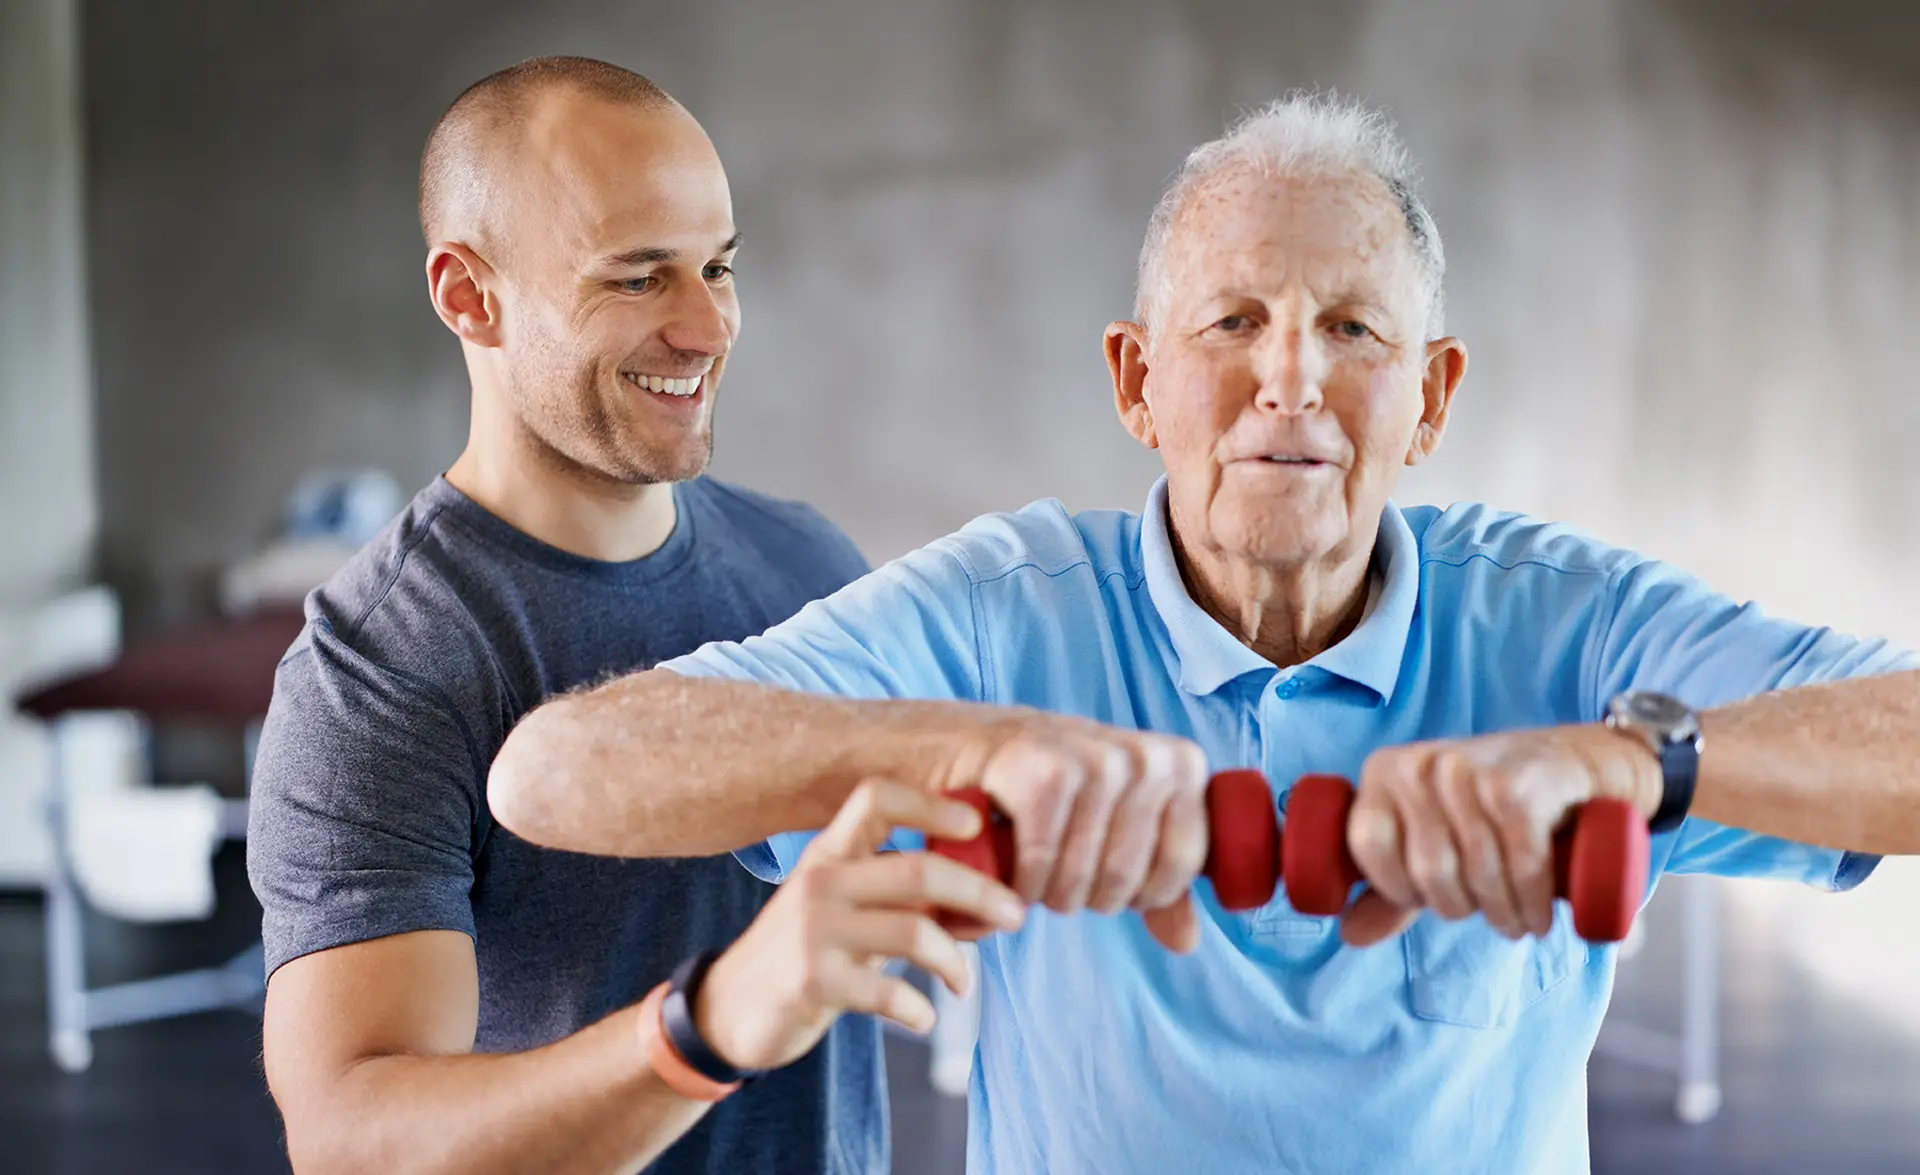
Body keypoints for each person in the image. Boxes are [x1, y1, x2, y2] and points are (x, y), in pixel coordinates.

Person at [489, 92, 1920, 1173]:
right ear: (1137, 381)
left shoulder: (1573, 621)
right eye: (1232, 320)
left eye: (1356, 329)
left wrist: (1637, 765)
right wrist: (973, 741)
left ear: (1431, 399)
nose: (1289, 379)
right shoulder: (1005, 611)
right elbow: (554, 769)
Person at [245, 56, 1030, 1175]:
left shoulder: (809, 561)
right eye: (637, 279)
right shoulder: (380, 668)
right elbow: (353, 1138)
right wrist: (707, 1024)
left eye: (718, 265)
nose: (708, 327)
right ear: (471, 296)